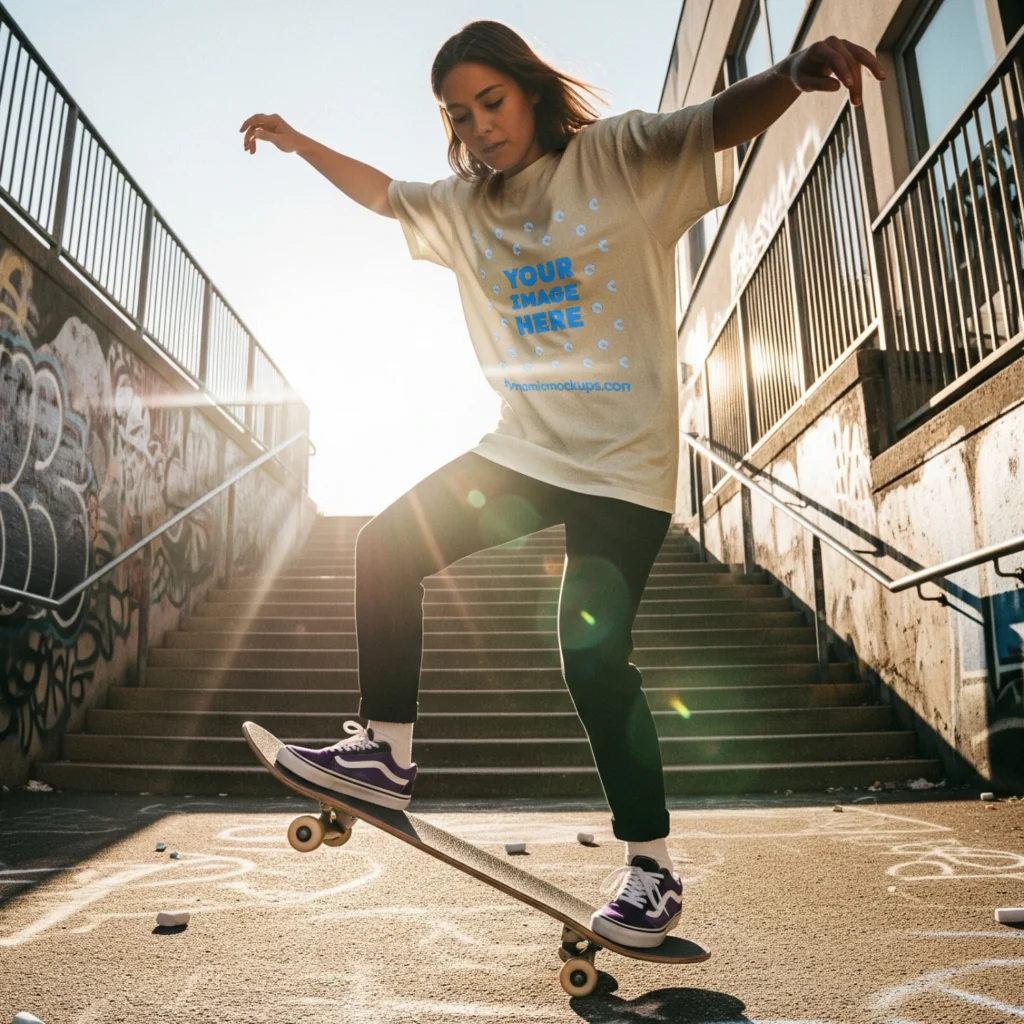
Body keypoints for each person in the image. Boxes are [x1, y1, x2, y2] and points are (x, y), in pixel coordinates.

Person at [240, 19, 884, 949]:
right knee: (386, 544)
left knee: (591, 658)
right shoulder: (466, 207)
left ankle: (652, 870)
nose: (478, 129)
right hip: (528, 451)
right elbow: (384, 195)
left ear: (532, 90)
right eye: (458, 117)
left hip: (625, 468)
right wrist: (300, 145)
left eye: (490, 103)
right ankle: (385, 757)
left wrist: (789, 73)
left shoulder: (616, 157)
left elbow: (711, 123)